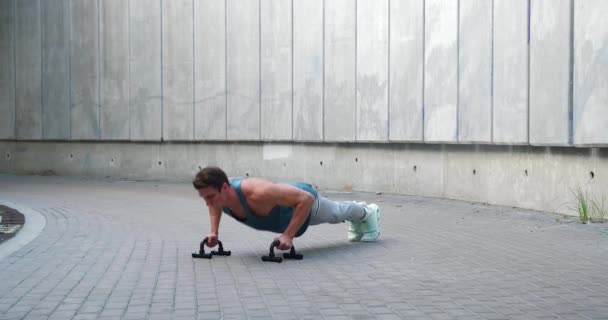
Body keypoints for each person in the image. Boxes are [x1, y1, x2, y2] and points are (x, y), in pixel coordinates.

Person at [192, 166, 381, 250]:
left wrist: (288, 235)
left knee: (337, 213)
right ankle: (361, 217)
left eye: (210, 197)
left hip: (303, 203)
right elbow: (215, 206)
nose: (208, 203)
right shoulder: (220, 198)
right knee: (337, 213)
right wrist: (214, 232)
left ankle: (367, 212)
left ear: (224, 188)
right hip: (287, 202)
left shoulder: (256, 191)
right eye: (204, 198)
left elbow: (305, 199)